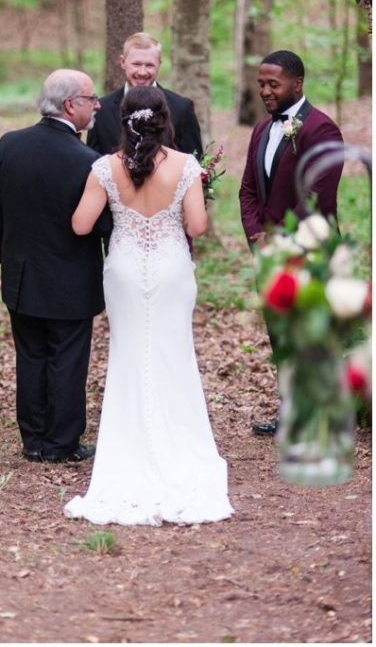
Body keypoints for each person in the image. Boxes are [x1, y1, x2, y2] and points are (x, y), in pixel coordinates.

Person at [65, 85, 234, 526]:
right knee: (173, 354)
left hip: (123, 269)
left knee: (128, 356)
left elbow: (82, 225)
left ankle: (130, 448)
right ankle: (179, 445)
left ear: (122, 120)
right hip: (170, 269)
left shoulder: (104, 167)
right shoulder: (186, 165)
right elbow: (196, 225)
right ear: (165, 120)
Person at [0, 69, 111, 463]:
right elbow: (103, 226)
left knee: (31, 357)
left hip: (21, 277)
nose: (98, 106)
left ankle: (34, 440)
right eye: (92, 99)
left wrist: (7, 260)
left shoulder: (10, 144)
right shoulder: (89, 161)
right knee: (68, 361)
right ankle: (61, 443)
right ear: (71, 104)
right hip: (71, 279)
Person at [239, 50, 344, 436]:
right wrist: (256, 236)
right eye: (261, 84)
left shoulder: (322, 129)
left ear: (297, 84)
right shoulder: (261, 130)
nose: (265, 91)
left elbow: (319, 197)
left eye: (273, 84)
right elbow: (248, 191)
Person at [87, 32, 203, 158]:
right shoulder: (101, 108)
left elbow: (195, 162)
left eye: (149, 65)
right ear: (122, 62)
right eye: (136, 64)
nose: (142, 72)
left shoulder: (182, 108)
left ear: (159, 63)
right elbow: (93, 163)